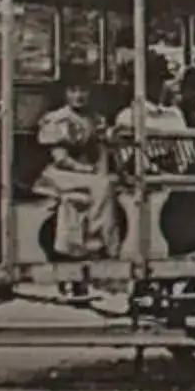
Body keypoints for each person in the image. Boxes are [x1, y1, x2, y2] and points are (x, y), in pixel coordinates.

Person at [32, 78, 114, 259]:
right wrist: (85, 170)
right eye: (73, 90)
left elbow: (101, 150)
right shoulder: (57, 119)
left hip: (83, 173)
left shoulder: (94, 119)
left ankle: (90, 244)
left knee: (105, 184)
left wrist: (99, 168)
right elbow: (61, 159)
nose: (78, 96)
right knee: (102, 185)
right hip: (59, 173)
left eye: (83, 90)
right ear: (65, 93)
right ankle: (95, 238)